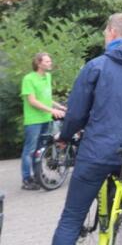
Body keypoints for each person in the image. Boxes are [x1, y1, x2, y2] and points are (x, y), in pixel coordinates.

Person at [52, 13, 122, 245]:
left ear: (111, 32)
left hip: (96, 153)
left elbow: (76, 113)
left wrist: (66, 135)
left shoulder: (96, 66)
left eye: (104, 33)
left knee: (72, 217)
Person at [20, 52, 67, 190]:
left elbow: (46, 98)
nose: (50, 63)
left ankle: (37, 176)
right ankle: (26, 179)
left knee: (40, 149)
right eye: (47, 61)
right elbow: (32, 101)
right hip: (34, 120)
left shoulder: (48, 76)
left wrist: (59, 106)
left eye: (49, 61)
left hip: (46, 119)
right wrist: (52, 111)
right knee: (30, 150)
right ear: (38, 63)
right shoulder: (29, 79)